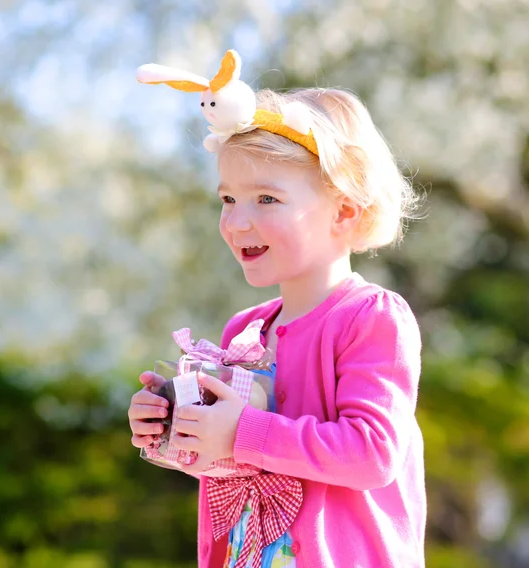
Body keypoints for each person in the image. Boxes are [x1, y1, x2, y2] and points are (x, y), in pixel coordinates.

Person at [129, 51, 426, 568]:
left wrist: (240, 430)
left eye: (265, 199)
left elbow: (373, 453)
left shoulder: (373, 318)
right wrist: (177, 431)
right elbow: (240, 462)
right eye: (227, 199)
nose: (237, 222)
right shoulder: (245, 329)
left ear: (344, 211)